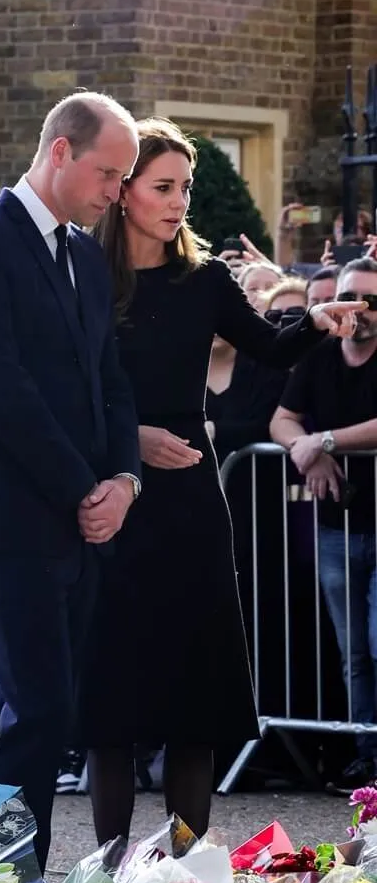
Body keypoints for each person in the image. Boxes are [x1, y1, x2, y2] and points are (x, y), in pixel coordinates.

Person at [81, 118, 362, 844]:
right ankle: (106, 870)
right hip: (113, 495)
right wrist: (128, 443)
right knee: (109, 702)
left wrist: (317, 318)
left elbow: (269, 343)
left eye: (187, 187)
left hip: (189, 502)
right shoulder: (82, 274)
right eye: (163, 186)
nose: (179, 202)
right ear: (123, 192)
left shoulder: (204, 278)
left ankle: (187, 875)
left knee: (193, 696)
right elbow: (66, 388)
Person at [0, 92, 143, 869]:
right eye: (109, 173)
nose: (116, 192)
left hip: (84, 516)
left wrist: (122, 478)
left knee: (30, 710)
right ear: (59, 151)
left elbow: (111, 382)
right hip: (14, 517)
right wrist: (82, 489)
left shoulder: (87, 257)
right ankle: (12, 880)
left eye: (125, 178)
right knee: (37, 707)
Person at [271, 257, 377, 793]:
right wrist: (303, 449)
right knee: (352, 649)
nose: (361, 312)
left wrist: (326, 440)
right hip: (337, 529)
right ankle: (366, 755)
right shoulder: (316, 357)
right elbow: (282, 419)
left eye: (372, 301)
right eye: (352, 298)